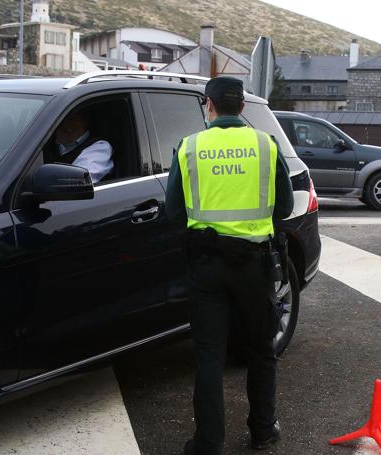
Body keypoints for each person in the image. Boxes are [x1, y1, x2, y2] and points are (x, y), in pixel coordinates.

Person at [165, 76, 294, 455]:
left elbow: (174, 212)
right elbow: (284, 208)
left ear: (209, 105)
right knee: (260, 349)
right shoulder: (266, 145)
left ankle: (207, 443)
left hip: (206, 267)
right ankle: (263, 430)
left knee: (208, 356)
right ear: (241, 107)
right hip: (254, 266)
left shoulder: (190, 147)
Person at [45, 110, 114, 183]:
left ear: (85, 121)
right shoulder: (42, 144)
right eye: (61, 119)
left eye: (72, 118)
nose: (66, 123)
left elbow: (77, 182)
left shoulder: (99, 147)